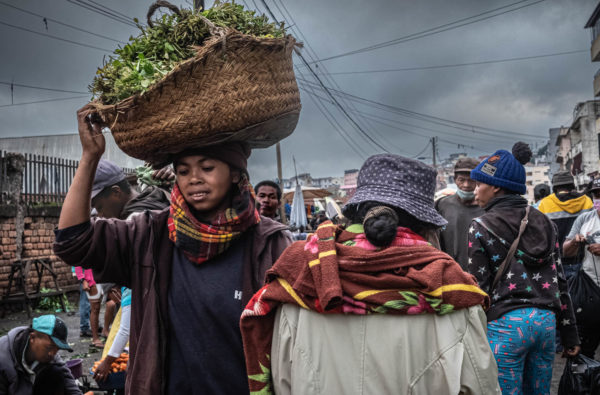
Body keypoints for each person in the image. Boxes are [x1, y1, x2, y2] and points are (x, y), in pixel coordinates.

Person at [53, 105, 293, 395]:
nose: (194, 179)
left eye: (207, 168)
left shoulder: (269, 243)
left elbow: (293, 340)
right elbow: (72, 241)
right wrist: (90, 157)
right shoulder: (149, 234)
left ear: (234, 173)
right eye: (183, 170)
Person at [241, 154, 500, 394]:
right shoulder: (452, 288)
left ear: (354, 211)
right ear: (426, 224)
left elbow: (280, 380)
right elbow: (480, 385)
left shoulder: (301, 276)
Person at [467, 142, 580, 394]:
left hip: (506, 327)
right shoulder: (546, 222)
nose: (475, 192)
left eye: (478, 184)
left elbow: (478, 288)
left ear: (495, 186)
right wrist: (570, 333)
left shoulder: (480, 226)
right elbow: (560, 282)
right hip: (546, 325)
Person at [561, 177, 600, 358]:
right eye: (596, 195)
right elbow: (566, 251)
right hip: (589, 291)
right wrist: (575, 242)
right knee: (585, 351)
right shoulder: (585, 219)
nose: (598, 199)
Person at [0, 315, 81, 395]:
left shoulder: (49, 352)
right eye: (49, 347)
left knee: (56, 372)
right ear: (32, 338)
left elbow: (66, 376)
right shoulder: (3, 359)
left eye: (57, 349)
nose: (53, 353)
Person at [538, 171, 593, 279]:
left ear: (555, 186)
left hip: (557, 262)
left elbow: (542, 236)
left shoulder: (545, 204)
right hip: (585, 260)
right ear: (572, 184)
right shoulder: (586, 201)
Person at [435, 157, 483, 269]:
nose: (466, 185)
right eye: (461, 180)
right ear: (455, 180)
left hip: (479, 274)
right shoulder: (442, 205)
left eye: (471, 180)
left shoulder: (488, 208)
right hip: (449, 273)